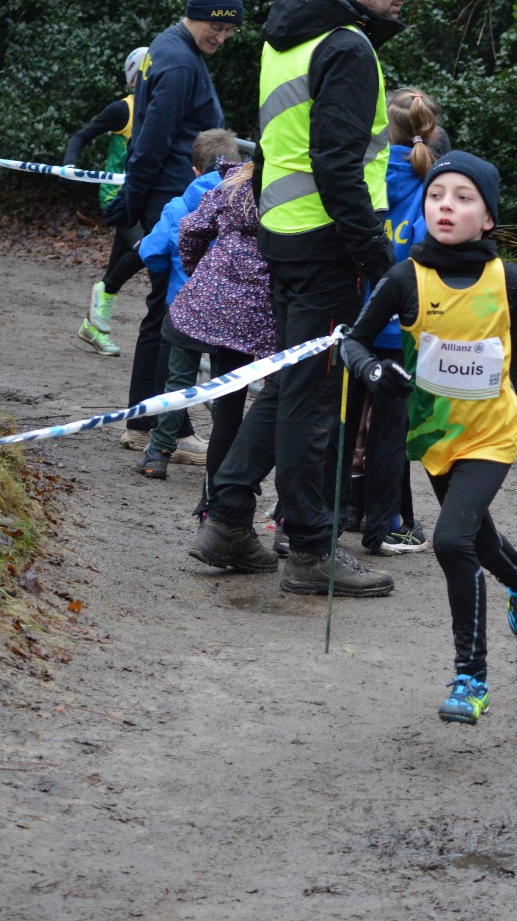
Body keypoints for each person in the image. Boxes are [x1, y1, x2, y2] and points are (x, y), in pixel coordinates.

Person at [188, 0, 405, 597]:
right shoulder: (345, 46)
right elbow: (337, 165)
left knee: (289, 382)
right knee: (312, 401)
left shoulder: (283, 40)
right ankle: (310, 549)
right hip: (327, 244)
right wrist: (380, 264)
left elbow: (274, 148)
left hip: (282, 234)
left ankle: (229, 519)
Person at [343, 151, 517, 725]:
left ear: (487, 218)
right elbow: (353, 342)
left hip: (492, 433)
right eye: (437, 196)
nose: (445, 206)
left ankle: (470, 677)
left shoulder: (507, 277)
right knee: (479, 543)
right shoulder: (404, 276)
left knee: (451, 540)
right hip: (435, 436)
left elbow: (511, 341)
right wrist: (373, 372)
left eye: (463, 197)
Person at [103, 0, 240, 454]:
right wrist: (132, 203)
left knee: (161, 314)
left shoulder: (167, 46)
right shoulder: (181, 62)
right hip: (178, 199)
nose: (221, 38)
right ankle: (172, 432)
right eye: (216, 27)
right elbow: (152, 140)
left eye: (229, 31)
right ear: (197, 14)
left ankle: (142, 422)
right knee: (176, 319)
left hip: (168, 196)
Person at [344, 86, 451, 555]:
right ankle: (386, 524)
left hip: (355, 321)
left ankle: (345, 510)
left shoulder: (361, 173)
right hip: (405, 326)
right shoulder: (434, 185)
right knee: (391, 431)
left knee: (348, 422)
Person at [165, 156, 278, 513]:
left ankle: (211, 499)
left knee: (227, 409)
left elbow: (192, 228)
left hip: (221, 305)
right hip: (271, 308)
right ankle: (243, 492)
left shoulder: (233, 181)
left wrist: (200, 270)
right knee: (281, 403)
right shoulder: (294, 186)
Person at [133, 129, 242, 479]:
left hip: (185, 308)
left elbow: (151, 252)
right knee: (229, 384)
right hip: (230, 309)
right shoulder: (243, 204)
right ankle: (227, 461)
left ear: (194, 169)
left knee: (177, 381)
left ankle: (158, 453)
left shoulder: (179, 205)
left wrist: (171, 272)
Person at [65, 46, 149, 357]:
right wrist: (71, 165)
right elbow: (81, 136)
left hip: (145, 199)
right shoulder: (122, 110)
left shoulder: (162, 111)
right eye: (147, 73)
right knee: (147, 249)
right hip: (118, 198)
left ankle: (93, 326)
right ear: (133, 81)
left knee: (121, 262)